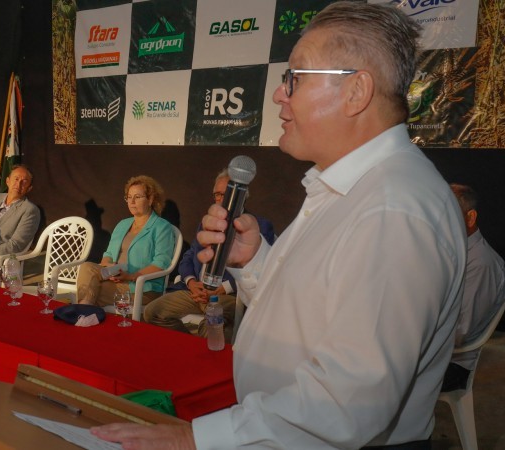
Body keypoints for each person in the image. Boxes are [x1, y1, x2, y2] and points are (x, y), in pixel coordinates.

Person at [92, 3, 468, 448]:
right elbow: (311, 315)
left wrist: (193, 440)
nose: (278, 94)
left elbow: (349, 402)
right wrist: (253, 262)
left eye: (295, 78)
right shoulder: (355, 190)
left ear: (356, 91)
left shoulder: (394, 211)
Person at [143, 169, 275, 341]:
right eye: (217, 195)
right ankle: (188, 346)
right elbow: (189, 257)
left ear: (241, 195)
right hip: (195, 292)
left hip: (227, 296)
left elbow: (261, 268)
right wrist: (191, 282)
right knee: (153, 312)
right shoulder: (207, 223)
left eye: (225, 194)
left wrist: (224, 288)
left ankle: (212, 352)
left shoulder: (259, 226)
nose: (220, 199)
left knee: (212, 327)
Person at [441, 183, 505, 392]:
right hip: (432, 352)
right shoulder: (450, 251)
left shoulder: (481, 264)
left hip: (451, 364)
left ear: (470, 218)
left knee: (373, 376)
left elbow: (459, 333)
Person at [76, 175, 175, 307]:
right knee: (86, 267)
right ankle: (84, 312)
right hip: (115, 278)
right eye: (129, 197)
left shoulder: (162, 227)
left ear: (150, 199)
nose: (132, 201)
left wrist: (130, 276)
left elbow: (161, 263)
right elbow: (108, 254)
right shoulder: (122, 224)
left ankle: (82, 313)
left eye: (137, 197)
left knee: (90, 290)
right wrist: (109, 267)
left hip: (142, 287)